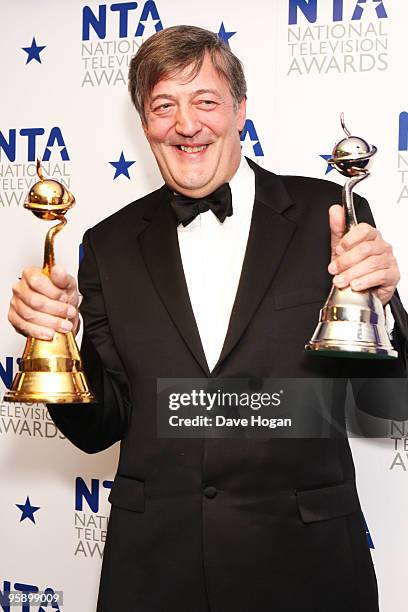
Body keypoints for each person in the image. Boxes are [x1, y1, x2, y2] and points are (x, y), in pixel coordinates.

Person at [8, 25, 408, 612]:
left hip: (308, 569)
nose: (186, 124)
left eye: (206, 101)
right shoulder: (108, 243)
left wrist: (385, 303)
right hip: (155, 572)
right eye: (163, 106)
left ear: (241, 111)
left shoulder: (332, 214)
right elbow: (102, 427)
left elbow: (388, 406)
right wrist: (59, 341)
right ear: (144, 124)